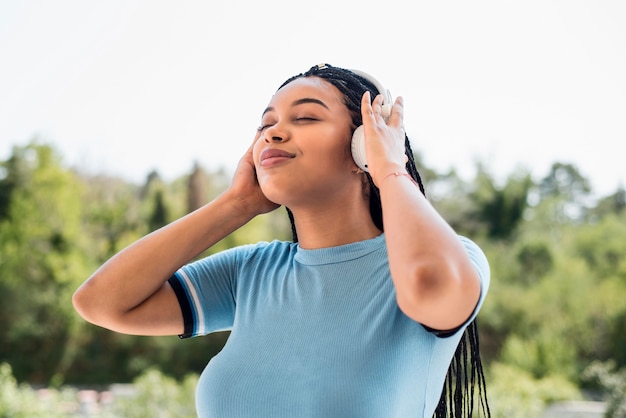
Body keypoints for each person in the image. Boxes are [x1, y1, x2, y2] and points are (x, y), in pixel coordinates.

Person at [73, 63, 491, 418]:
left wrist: (391, 169)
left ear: (364, 144)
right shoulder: (251, 272)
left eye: (305, 118)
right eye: (266, 124)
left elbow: (430, 285)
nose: (273, 134)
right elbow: (100, 302)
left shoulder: (452, 259)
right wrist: (235, 205)